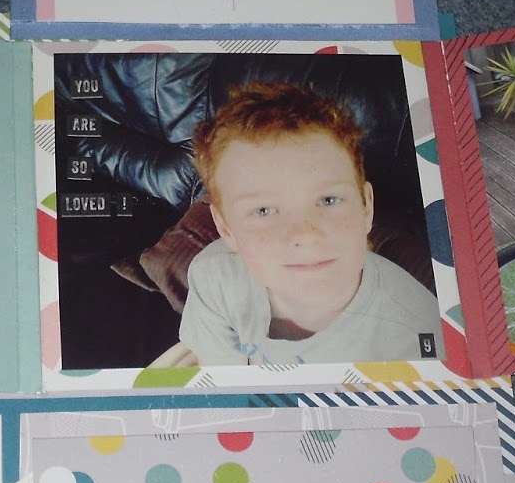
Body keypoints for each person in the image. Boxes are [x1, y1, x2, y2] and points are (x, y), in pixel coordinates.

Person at [167, 81, 439, 366]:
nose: (305, 234)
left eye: (328, 200)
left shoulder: (417, 337)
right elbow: (224, 383)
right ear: (226, 229)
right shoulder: (214, 278)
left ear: (366, 207)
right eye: (263, 210)